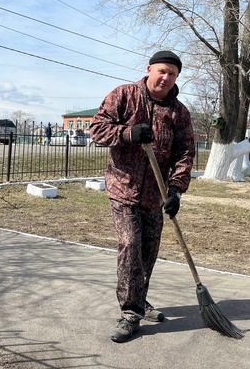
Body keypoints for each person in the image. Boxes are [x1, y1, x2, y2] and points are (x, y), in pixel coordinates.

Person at [89, 50, 195, 343]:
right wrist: (128, 134)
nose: (165, 77)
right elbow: (97, 129)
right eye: (161, 71)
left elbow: (185, 153)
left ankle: (139, 298)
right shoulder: (124, 95)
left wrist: (175, 191)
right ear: (149, 69)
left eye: (172, 74)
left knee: (148, 252)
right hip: (123, 188)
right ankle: (130, 313)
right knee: (130, 245)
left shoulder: (179, 113)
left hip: (155, 194)